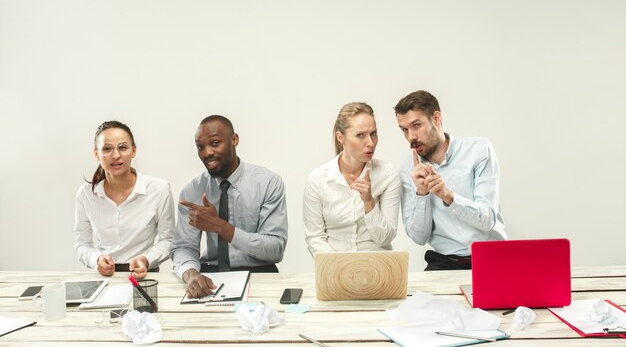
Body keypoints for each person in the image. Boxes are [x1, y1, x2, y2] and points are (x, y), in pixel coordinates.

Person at [171, 115, 288, 298]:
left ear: (234, 140)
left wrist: (220, 226)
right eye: (200, 147)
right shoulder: (192, 191)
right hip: (211, 275)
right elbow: (183, 247)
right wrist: (191, 274)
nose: (207, 152)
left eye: (215, 143)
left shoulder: (268, 183)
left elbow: (275, 249)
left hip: (260, 273)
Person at [394, 90, 506, 271]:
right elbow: (419, 237)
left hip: (492, 257)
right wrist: (422, 193)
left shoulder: (478, 150)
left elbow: (488, 219)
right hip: (445, 262)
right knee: (416, 300)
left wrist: (449, 196)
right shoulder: (409, 168)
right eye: (404, 130)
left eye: (416, 125)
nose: (410, 137)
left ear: (437, 119)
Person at [74, 121, 175, 279]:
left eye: (122, 147)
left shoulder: (159, 189)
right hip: (105, 277)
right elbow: (82, 244)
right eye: (107, 149)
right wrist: (97, 259)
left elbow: (168, 240)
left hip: (145, 276)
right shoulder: (86, 194)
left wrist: (146, 260)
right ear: (96, 154)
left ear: (133, 151)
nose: (115, 155)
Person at [303, 102, 401, 255]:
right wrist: (341, 268)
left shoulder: (388, 174)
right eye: (360, 135)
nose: (370, 142)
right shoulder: (318, 179)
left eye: (373, 133)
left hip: (378, 269)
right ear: (341, 137)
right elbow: (315, 238)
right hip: (334, 269)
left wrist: (369, 202)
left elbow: (385, 239)